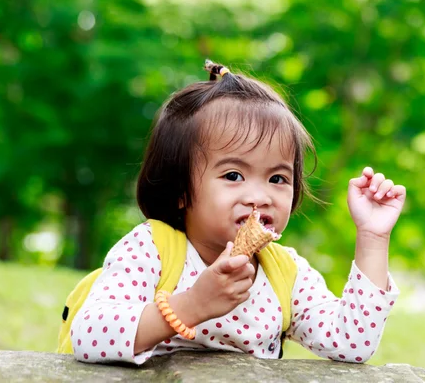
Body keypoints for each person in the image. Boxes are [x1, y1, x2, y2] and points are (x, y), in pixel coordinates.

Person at [70, 60, 406, 365]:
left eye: (278, 178)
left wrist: (373, 237)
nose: (259, 197)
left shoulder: (285, 275)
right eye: (234, 176)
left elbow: (352, 344)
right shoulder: (152, 250)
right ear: (180, 191)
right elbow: (88, 335)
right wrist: (192, 305)